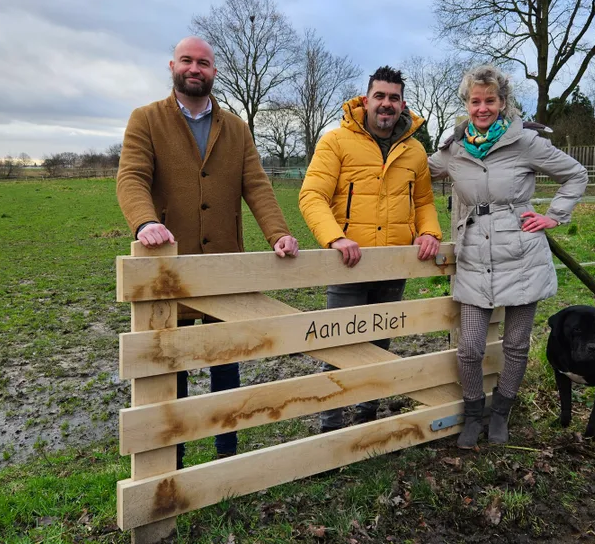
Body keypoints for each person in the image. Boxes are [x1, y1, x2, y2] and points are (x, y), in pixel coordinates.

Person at [116, 36, 299, 467]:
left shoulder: (235, 127)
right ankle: (173, 456)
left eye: (203, 62)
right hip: (169, 267)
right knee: (172, 362)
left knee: (225, 359)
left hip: (224, 266)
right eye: (187, 61)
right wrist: (146, 222)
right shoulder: (145, 119)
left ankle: (225, 452)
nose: (194, 68)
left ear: (214, 71)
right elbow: (131, 178)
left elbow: (256, 184)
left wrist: (278, 233)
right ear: (172, 66)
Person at [428, 65, 587, 449]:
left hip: (521, 255)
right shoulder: (454, 150)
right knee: (469, 347)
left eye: (490, 100)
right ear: (466, 104)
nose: (482, 108)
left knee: (516, 344)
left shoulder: (525, 143)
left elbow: (575, 174)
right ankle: (473, 412)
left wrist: (553, 215)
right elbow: (414, 174)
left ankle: (501, 412)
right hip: (473, 256)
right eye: (475, 101)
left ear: (502, 103)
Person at [299, 66, 443, 432]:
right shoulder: (335, 142)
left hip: (394, 263)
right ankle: (330, 424)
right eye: (380, 96)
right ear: (366, 100)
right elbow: (312, 195)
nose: (386, 104)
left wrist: (429, 232)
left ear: (402, 103)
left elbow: (424, 201)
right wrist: (335, 238)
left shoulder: (414, 151)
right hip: (348, 262)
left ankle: (367, 416)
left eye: (394, 98)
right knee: (337, 344)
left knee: (379, 342)